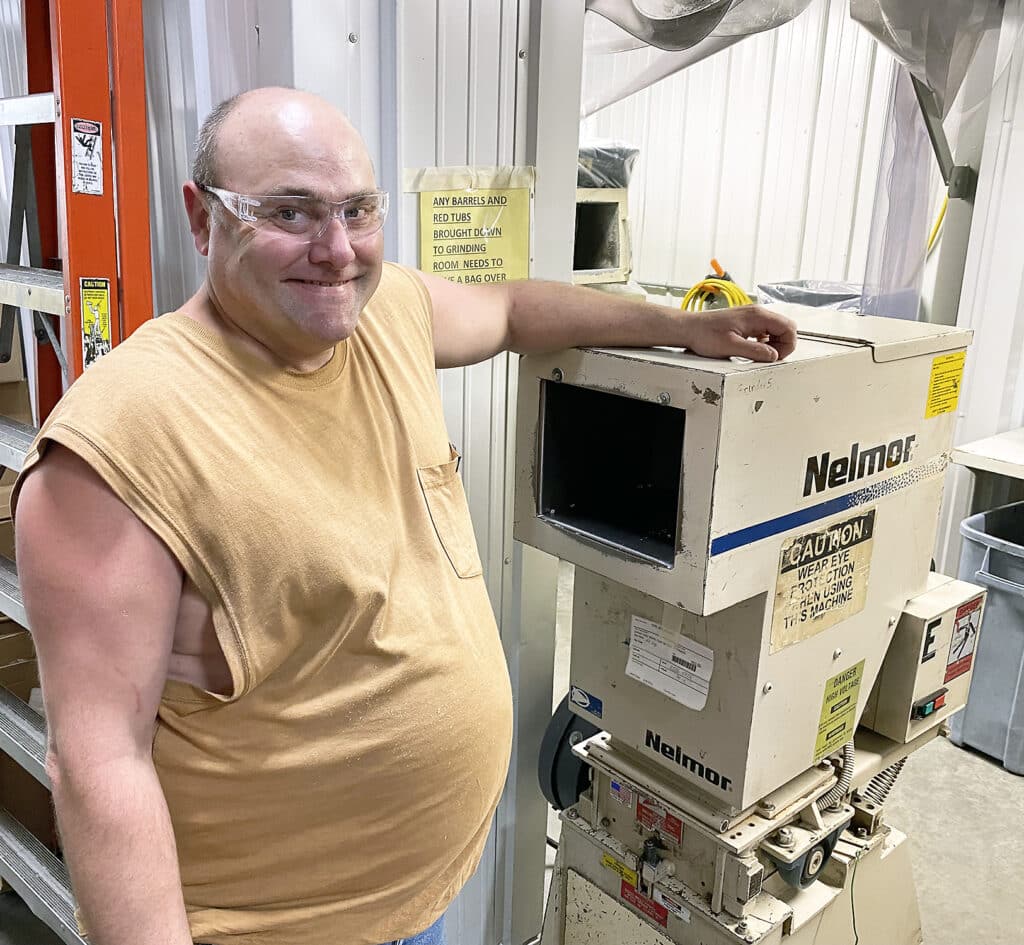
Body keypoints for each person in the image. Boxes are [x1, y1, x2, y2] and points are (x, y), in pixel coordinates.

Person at [12, 87, 796, 945]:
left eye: (358, 209)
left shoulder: (380, 316)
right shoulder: (118, 447)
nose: (337, 249)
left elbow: (509, 310)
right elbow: (97, 767)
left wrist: (682, 329)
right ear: (204, 221)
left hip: (417, 903)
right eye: (290, 212)